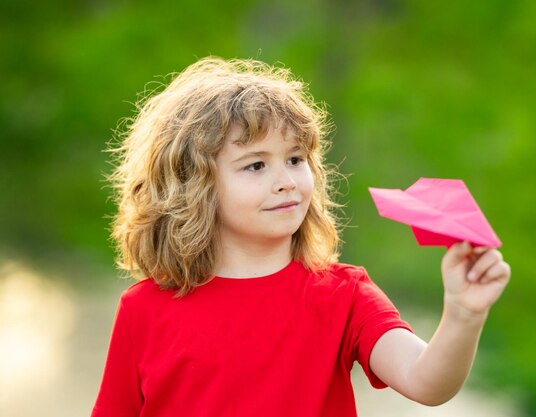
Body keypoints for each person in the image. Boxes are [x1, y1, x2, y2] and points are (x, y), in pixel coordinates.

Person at [91, 57, 511, 417]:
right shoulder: (143, 310)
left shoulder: (345, 295)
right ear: (193, 186)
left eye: (295, 159)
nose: (286, 181)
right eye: (256, 165)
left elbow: (426, 382)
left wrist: (463, 314)